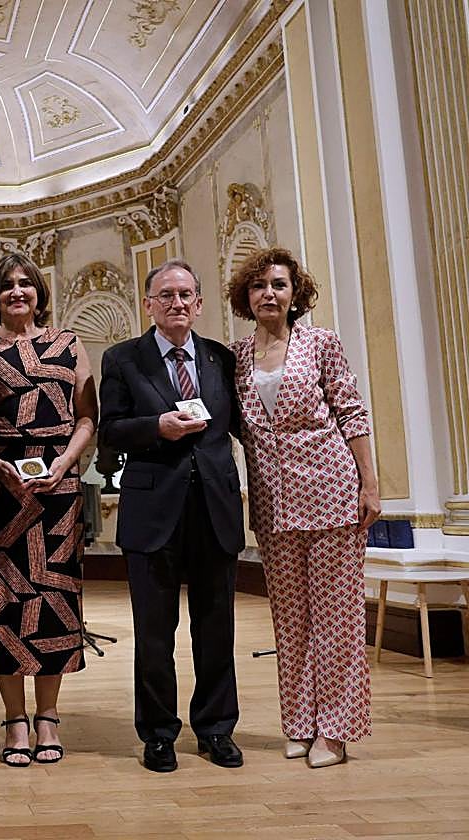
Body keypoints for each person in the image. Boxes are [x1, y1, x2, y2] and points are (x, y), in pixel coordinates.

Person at [225, 247, 379, 769]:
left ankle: (334, 732)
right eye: (259, 286)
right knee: (289, 619)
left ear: (296, 294)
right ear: (246, 297)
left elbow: (352, 412)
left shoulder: (320, 343)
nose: (269, 293)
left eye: (279, 284)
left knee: (336, 619)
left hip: (330, 489)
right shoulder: (237, 356)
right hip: (272, 501)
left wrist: (370, 485)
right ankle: (299, 722)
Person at [98, 259, 245, 773]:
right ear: (149, 304)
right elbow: (110, 430)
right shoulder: (122, 359)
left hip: (215, 508)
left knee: (216, 628)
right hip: (152, 509)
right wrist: (156, 426)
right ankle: (158, 734)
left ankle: (216, 729)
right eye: (166, 295)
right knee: (155, 633)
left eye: (186, 295)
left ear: (199, 304)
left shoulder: (221, 360)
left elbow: (249, 429)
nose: (177, 303)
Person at [0, 252, 98, 767]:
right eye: (7, 286)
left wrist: (65, 460)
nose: (17, 292)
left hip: (56, 490)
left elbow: (87, 416)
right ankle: (14, 719)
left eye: (26, 284)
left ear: (40, 292)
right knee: (2, 605)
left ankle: (48, 717)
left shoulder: (67, 343)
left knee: (53, 600)